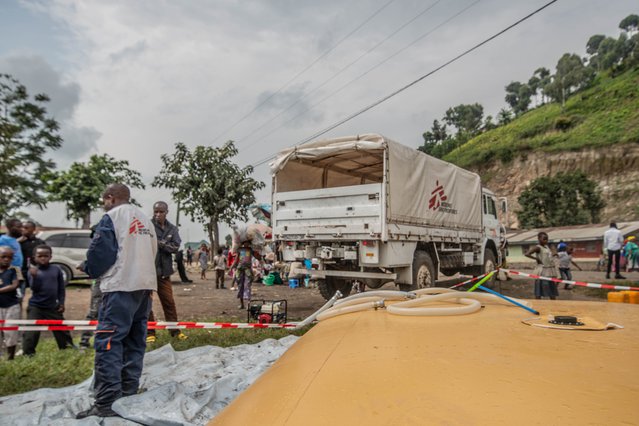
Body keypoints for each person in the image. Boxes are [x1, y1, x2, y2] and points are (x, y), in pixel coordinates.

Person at [75, 184, 157, 419]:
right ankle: (129, 392)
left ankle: (107, 402)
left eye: (104, 200)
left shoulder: (112, 217)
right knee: (134, 340)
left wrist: (89, 267)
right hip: (143, 287)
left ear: (110, 198)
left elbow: (102, 253)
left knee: (108, 343)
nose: (104, 204)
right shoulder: (145, 219)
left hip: (120, 286)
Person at [22, 245, 74, 356]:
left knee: (61, 329)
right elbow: (34, 288)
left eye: (46, 256)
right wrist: (34, 277)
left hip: (52, 306)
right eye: (40, 256)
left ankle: (67, 348)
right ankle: (28, 353)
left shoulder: (56, 269)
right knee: (31, 332)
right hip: (36, 306)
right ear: (34, 257)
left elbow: (61, 288)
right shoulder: (33, 271)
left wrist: (61, 302)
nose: (43, 258)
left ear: (50, 257)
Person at [147, 201, 187, 342]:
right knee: (147, 304)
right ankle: (150, 332)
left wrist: (161, 244)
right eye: (155, 211)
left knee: (169, 302)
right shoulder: (148, 226)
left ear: (166, 212)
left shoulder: (172, 228)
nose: (157, 214)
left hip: (164, 272)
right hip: (148, 271)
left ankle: (174, 331)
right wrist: (165, 244)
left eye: (161, 212)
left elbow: (175, 247)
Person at [524, 232, 558, 300]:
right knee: (539, 289)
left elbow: (547, 256)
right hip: (542, 270)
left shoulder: (546, 247)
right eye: (544, 239)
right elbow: (527, 254)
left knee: (551, 288)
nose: (546, 241)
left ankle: (554, 303)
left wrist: (554, 255)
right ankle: (538, 303)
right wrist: (536, 259)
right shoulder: (538, 247)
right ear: (539, 239)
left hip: (549, 270)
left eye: (547, 239)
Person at [0, 247, 20, 360]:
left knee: (10, 331)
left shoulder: (14, 270)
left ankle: (10, 357)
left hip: (11, 306)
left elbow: (14, 285)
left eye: (9, 257)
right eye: (3, 257)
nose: (6, 260)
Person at [18, 220, 44, 302]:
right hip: (21, 273)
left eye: (26, 228)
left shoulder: (39, 242)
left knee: (38, 295)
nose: (23, 229)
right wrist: (18, 241)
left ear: (33, 229)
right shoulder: (18, 241)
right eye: (22, 227)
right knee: (19, 297)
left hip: (35, 273)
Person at [231, 241, 261, 309]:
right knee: (240, 286)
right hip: (240, 269)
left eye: (247, 243)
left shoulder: (251, 250)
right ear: (243, 243)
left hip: (248, 269)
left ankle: (248, 305)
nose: (246, 244)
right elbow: (236, 260)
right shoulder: (239, 250)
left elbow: (257, 257)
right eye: (245, 243)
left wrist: (259, 255)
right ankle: (241, 304)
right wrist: (231, 267)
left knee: (247, 286)